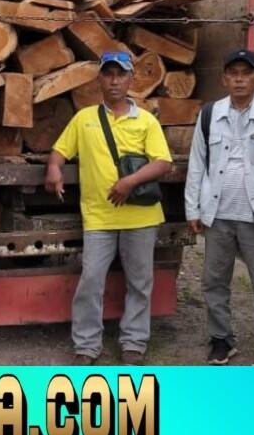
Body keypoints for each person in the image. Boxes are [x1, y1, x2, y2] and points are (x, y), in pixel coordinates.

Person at [46, 51, 173, 366]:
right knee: (91, 280)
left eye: (120, 74)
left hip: (141, 216)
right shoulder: (84, 118)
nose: (114, 80)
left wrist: (129, 182)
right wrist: (54, 167)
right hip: (99, 217)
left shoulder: (146, 120)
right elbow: (60, 150)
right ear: (99, 79)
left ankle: (134, 343)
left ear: (131, 79)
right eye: (108, 74)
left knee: (140, 282)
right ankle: (87, 345)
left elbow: (163, 163)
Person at [186, 49, 254, 366]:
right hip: (218, 215)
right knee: (213, 282)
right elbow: (198, 163)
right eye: (232, 72)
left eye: (246, 72)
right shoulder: (210, 114)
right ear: (224, 79)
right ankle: (221, 340)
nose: (238, 78)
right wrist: (192, 209)